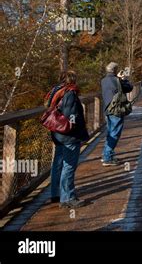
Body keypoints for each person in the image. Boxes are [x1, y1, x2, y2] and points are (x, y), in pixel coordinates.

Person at [47, 70, 89, 208]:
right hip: (68, 135)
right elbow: (71, 116)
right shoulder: (70, 93)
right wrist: (77, 130)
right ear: (72, 79)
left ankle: (55, 194)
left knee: (58, 164)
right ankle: (68, 198)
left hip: (57, 133)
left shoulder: (55, 91)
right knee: (69, 166)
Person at [101, 62, 133, 166]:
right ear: (115, 70)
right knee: (115, 133)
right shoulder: (116, 80)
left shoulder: (103, 80)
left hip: (107, 110)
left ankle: (106, 154)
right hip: (116, 110)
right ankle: (107, 158)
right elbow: (129, 88)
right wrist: (123, 79)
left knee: (110, 132)